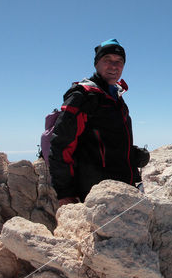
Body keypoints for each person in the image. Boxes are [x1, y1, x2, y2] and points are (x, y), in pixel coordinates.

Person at [49, 39, 150, 206]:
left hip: (122, 188)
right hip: (95, 195)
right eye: (107, 60)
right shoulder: (83, 95)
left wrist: (132, 154)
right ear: (96, 64)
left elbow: (103, 141)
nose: (114, 65)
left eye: (119, 61)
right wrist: (65, 192)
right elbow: (61, 144)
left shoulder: (115, 96)